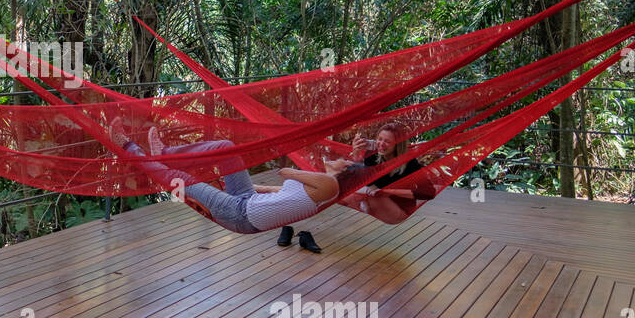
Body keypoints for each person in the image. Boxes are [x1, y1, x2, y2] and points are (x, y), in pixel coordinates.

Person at [109, 119, 350, 245]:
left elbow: (286, 172)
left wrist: (318, 168)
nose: (338, 158)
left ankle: (128, 147)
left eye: (343, 161)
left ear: (344, 171)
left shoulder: (330, 184)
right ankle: (166, 154)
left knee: (179, 180)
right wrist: (258, 187)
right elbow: (283, 191)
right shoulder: (322, 187)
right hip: (249, 199)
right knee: (226, 148)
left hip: (241, 215)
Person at [346, 121, 438, 224]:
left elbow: (429, 192)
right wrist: (356, 154)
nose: (381, 144)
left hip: (398, 208)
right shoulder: (372, 154)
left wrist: (388, 191)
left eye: (387, 142)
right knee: (344, 195)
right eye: (379, 139)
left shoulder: (409, 163)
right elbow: (365, 178)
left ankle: (365, 209)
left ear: (397, 145)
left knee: (373, 196)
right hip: (378, 201)